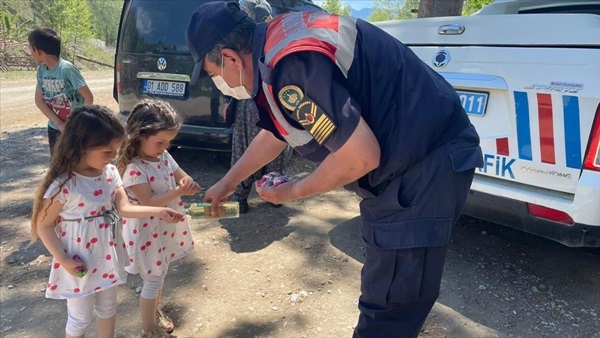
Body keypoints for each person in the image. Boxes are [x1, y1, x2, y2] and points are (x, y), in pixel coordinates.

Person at [186, 2, 484, 337]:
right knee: (387, 295)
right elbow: (277, 132)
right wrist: (228, 183)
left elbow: (360, 156)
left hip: (422, 166)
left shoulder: (288, 67)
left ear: (229, 58)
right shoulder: (275, 43)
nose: (219, 83)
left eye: (213, 75)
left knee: (389, 309)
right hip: (410, 160)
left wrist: (293, 191)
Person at [31, 105, 182, 338]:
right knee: (80, 317)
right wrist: (64, 260)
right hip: (78, 258)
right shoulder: (64, 184)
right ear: (80, 146)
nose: (114, 156)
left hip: (107, 256)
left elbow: (125, 208)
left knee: (108, 308)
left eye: (116, 150)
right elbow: (44, 225)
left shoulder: (110, 172)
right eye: (107, 151)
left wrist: (158, 212)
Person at [116, 99, 199, 338]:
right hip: (146, 232)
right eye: (160, 142)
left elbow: (180, 175)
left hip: (165, 227)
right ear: (139, 136)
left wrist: (186, 182)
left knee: (159, 274)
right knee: (153, 279)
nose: (165, 147)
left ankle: (154, 313)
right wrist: (178, 191)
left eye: (169, 142)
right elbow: (150, 202)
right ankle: (148, 329)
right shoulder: (134, 168)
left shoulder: (162, 156)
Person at [227, 0, 286, 213]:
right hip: (250, 100)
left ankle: (269, 193)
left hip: (262, 100)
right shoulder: (249, 40)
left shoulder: (264, 38)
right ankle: (251, 196)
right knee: (248, 147)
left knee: (264, 145)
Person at [28, 27, 93, 155]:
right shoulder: (41, 70)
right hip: (54, 128)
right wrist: (58, 123)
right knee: (58, 166)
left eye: (31, 48)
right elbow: (39, 100)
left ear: (38, 51)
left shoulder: (66, 69)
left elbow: (88, 97)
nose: (30, 52)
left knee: (76, 164)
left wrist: (77, 123)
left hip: (75, 130)